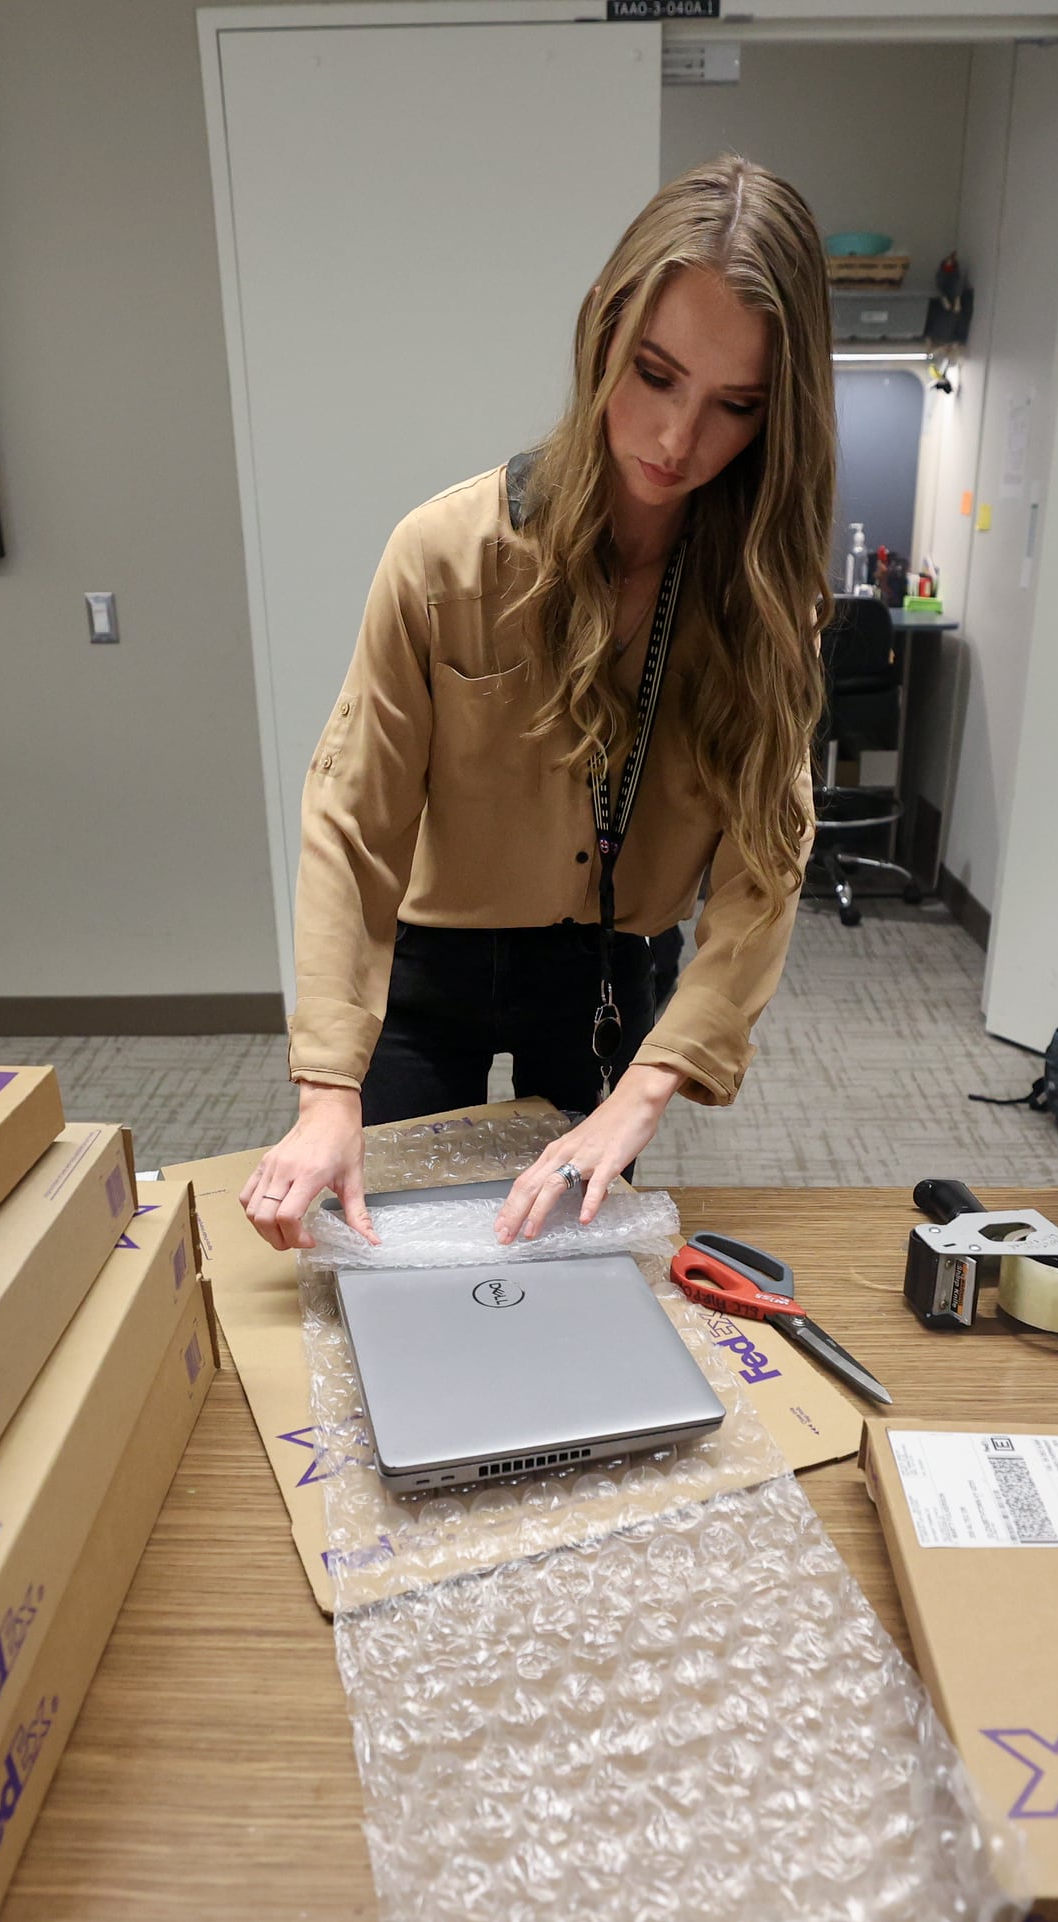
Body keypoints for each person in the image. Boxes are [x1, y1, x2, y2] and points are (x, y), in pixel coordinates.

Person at [242, 158, 838, 1251]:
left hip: (614, 971)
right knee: (400, 1257)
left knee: (569, 1259)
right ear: (603, 336)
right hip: (436, 964)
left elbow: (768, 860)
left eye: (734, 407)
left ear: (778, 414)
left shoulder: (765, 603)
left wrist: (650, 1087)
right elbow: (352, 818)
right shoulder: (444, 557)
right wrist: (328, 1088)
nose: (675, 439)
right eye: (654, 374)